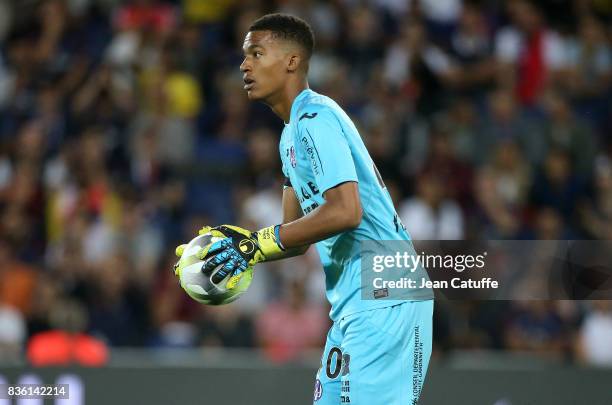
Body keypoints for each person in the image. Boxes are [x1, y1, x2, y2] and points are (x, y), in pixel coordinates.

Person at [175, 14, 434, 404]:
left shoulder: (316, 117)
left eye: (257, 54)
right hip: (354, 301)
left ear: (292, 61)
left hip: (386, 292)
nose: (244, 65)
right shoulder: (290, 135)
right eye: (245, 56)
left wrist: (257, 243)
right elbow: (293, 237)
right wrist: (237, 248)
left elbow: (347, 211)